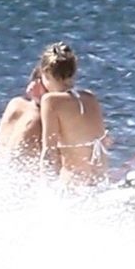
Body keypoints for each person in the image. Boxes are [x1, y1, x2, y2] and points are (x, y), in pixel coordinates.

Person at [36, 41, 110, 184]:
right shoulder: (90, 97)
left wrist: (44, 186)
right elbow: (104, 141)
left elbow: (49, 150)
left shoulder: (51, 101)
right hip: (99, 181)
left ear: (46, 72)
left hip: (74, 184)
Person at [0, 67, 48, 169]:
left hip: (4, 169)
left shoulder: (17, 104)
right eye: (36, 79)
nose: (35, 83)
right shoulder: (19, 106)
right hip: (17, 171)